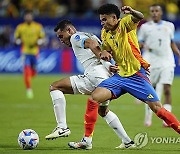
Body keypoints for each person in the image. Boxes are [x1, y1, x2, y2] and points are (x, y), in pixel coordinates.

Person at [68, 4, 180, 150]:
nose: (102, 23)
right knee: (94, 99)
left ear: (114, 18)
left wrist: (132, 11)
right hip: (119, 76)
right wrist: (104, 53)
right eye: (101, 20)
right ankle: (86, 141)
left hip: (136, 75)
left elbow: (139, 17)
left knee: (158, 109)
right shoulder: (104, 33)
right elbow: (107, 50)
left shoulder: (125, 23)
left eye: (105, 19)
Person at [45, 20, 135, 149]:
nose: (61, 40)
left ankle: (62, 127)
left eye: (61, 36)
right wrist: (109, 65)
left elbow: (94, 47)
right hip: (106, 77)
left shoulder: (75, 37)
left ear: (69, 30)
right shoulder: (90, 34)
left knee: (55, 87)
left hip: (94, 75)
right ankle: (127, 142)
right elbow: (100, 49)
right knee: (103, 111)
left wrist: (100, 56)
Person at [137, 4, 180, 127]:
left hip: (167, 61)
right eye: (152, 11)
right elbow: (139, 43)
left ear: (161, 12)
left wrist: (178, 54)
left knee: (167, 89)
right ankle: (148, 117)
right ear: (150, 13)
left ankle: (167, 120)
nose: (155, 13)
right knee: (151, 92)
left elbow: (171, 43)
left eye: (157, 11)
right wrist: (143, 46)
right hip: (151, 62)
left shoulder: (169, 26)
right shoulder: (145, 27)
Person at [14, 10, 45, 99]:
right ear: (24, 17)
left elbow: (43, 38)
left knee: (34, 73)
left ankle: (29, 78)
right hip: (25, 52)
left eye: (29, 16)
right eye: (26, 16)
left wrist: (40, 41)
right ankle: (29, 89)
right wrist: (17, 41)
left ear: (32, 17)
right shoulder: (20, 27)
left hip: (35, 52)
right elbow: (16, 38)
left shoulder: (38, 26)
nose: (28, 18)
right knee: (27, 70)